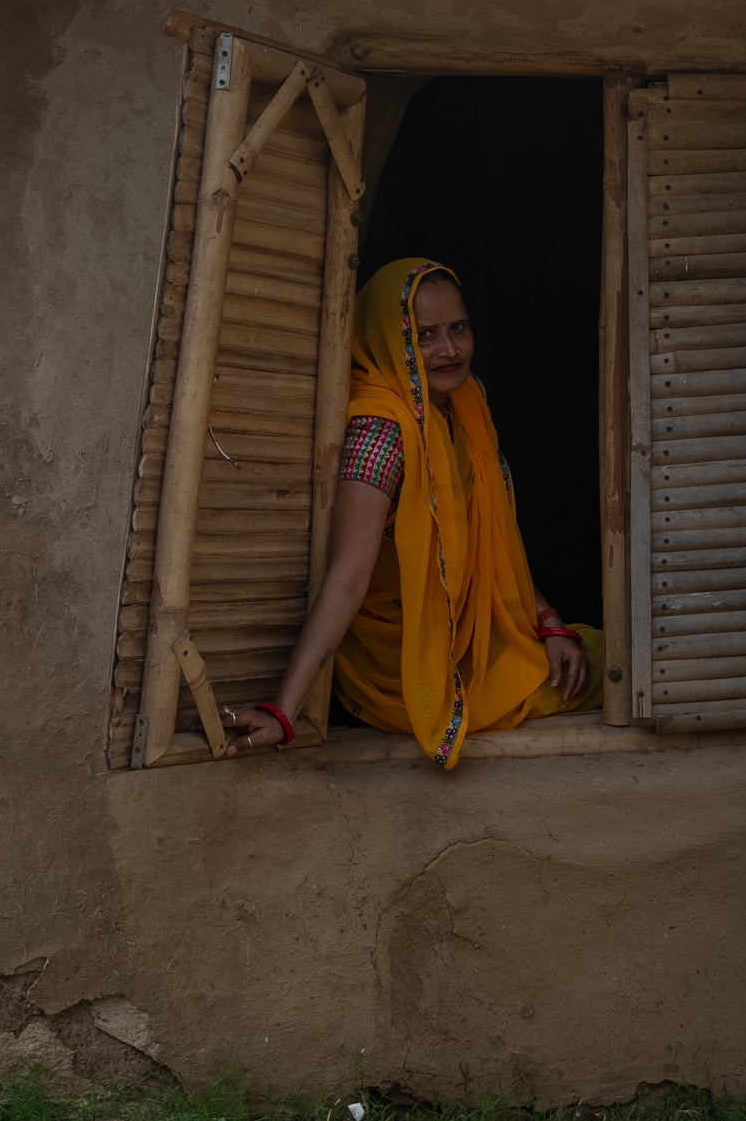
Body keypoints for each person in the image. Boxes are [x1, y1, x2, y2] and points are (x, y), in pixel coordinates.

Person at [220, 257, 600, 766]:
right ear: (388, 339)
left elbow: (491, 545)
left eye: (458, 328)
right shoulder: (379, 432)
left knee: (593, 651)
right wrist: (285, 711)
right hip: (402, 666)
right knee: (605, 672)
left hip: (466, 639)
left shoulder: (465, 407)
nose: (450, 350)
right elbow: (347, 578)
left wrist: (549, 622)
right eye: (425, 335)